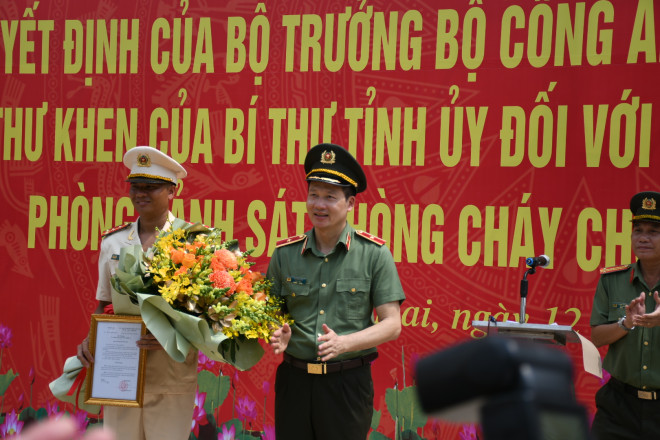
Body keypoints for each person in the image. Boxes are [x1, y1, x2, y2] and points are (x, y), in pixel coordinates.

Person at [267, 143, 405, 440]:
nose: (319, 205)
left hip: (347, 384)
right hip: (295, 382)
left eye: (330, 197)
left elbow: (393, 325)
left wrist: (344, 343)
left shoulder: (374, 254)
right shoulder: (285, 254)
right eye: (313, 195)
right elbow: (270, 313)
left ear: (351, 203)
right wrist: (277, 329)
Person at [76, 146, 197, 440]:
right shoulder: (113, 243)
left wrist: (172, 334)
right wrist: (91, 338)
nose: (140, 193)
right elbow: (104, 304)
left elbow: (207, 314)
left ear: (172, 191)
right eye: (135, 187)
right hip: (120, 376)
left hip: (170, 376)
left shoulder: (193, 241)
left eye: (151, 187)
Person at [590, 191, 660, 440]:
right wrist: (626, 323)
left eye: (653, 232)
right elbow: (596, 337)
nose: (644, 238)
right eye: (638, 230)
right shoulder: (613, 280)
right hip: (618, 406)